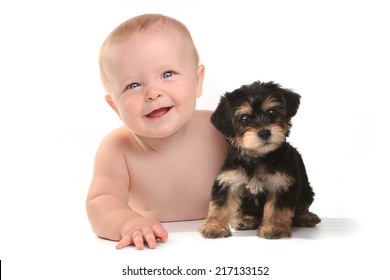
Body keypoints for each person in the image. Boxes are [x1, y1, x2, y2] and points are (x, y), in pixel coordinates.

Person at [86, 14, 227, 250]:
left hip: (229, 243)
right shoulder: (117, 149)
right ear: (115, 107)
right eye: (133, 85)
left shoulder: (219, 129)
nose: (153, 93)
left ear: (197, 81)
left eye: (167, 74)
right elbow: (100, 202)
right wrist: (127, 223)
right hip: (162, 249)